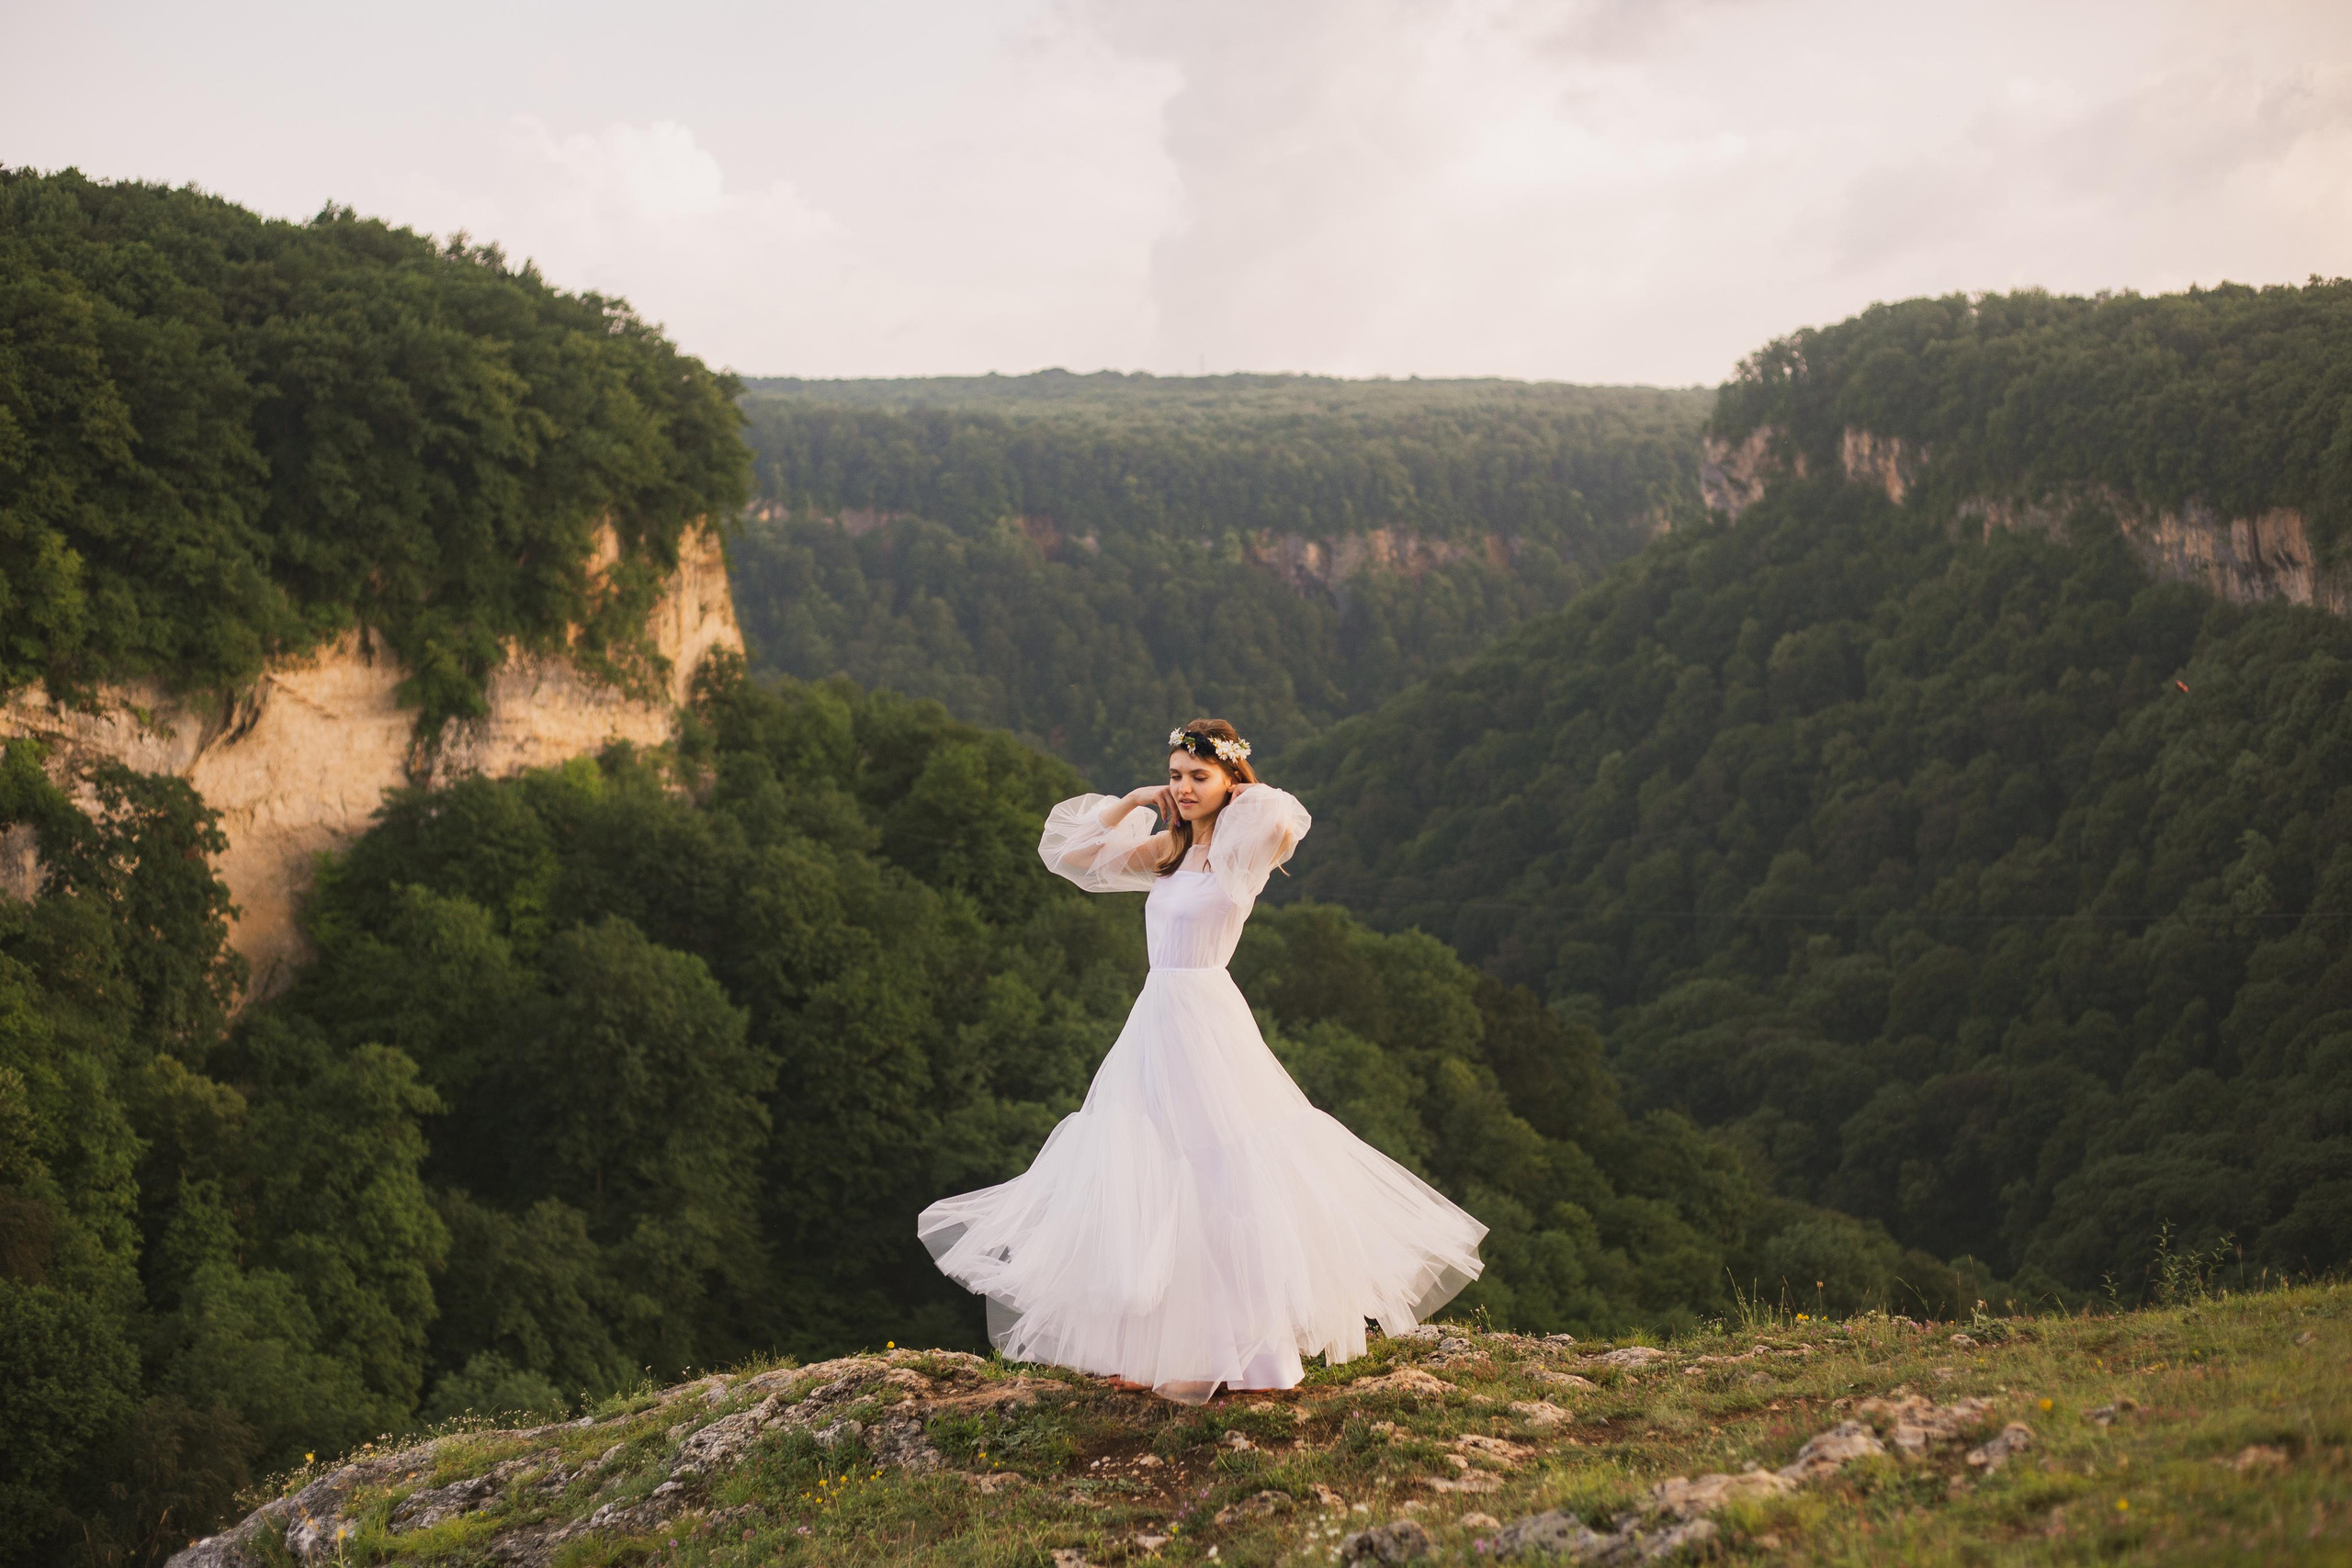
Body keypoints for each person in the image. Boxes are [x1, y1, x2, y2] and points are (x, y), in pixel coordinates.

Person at [918, 718, 1487, 1404]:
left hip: (1208, 1016)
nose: (1183, 787)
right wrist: (1132, 802)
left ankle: (1241, 1352)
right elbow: (1073, 855)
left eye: (1197, 776)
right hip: (1155, 1019)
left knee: (1223, 1181)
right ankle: (1169, 1347)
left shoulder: (1244, 851)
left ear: (1227, 781)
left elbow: (1286, 814)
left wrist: (1231, 774)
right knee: (1155, 1178)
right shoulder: (1172, 850)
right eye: (1177, 774)